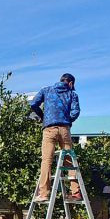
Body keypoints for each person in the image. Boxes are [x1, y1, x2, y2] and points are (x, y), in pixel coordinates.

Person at [30, 73, 81, 202]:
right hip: (64, 129)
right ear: (70, 83)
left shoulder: (46, 90)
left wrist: (43, 117)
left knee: (46, 161)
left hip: (49, 129)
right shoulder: (72, 94)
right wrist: (67, 120)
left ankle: (44, 193)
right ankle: (75, 192)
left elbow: (33, 104)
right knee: (69, 160)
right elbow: (76, 111)